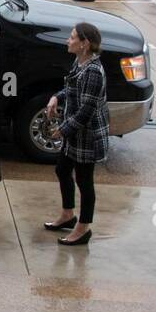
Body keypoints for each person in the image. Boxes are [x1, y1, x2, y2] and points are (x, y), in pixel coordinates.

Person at [44, 23, 110, 246]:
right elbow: (71, 89)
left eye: (72, 38)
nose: (67, 41)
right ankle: (68, 215)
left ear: (85, 44)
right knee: (62, 169)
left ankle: (83, 228)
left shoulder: (93, 72)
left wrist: (62, 130)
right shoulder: (80, 62)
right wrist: (56, 97)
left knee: (84, 180)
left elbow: (87, 111)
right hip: (75, 133)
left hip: (87, 137)